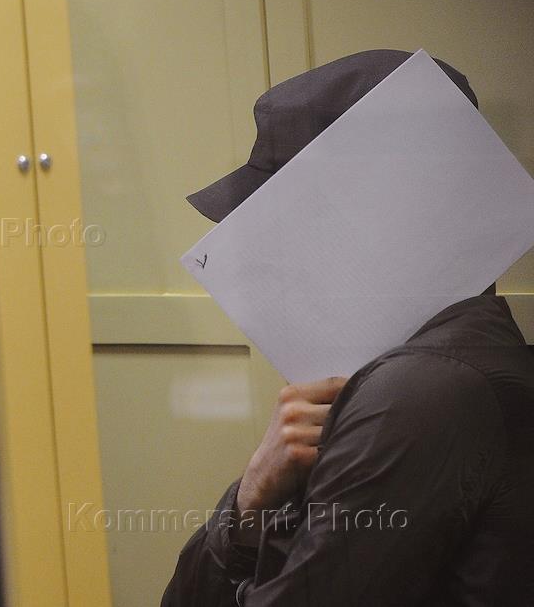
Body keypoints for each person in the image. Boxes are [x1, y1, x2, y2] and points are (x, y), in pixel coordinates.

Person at [161, 50, 534, 605]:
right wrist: (249, 501)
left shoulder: (418, 394)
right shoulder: (464, 362)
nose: (277, 257)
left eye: (291, 220)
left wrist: (248, 506)